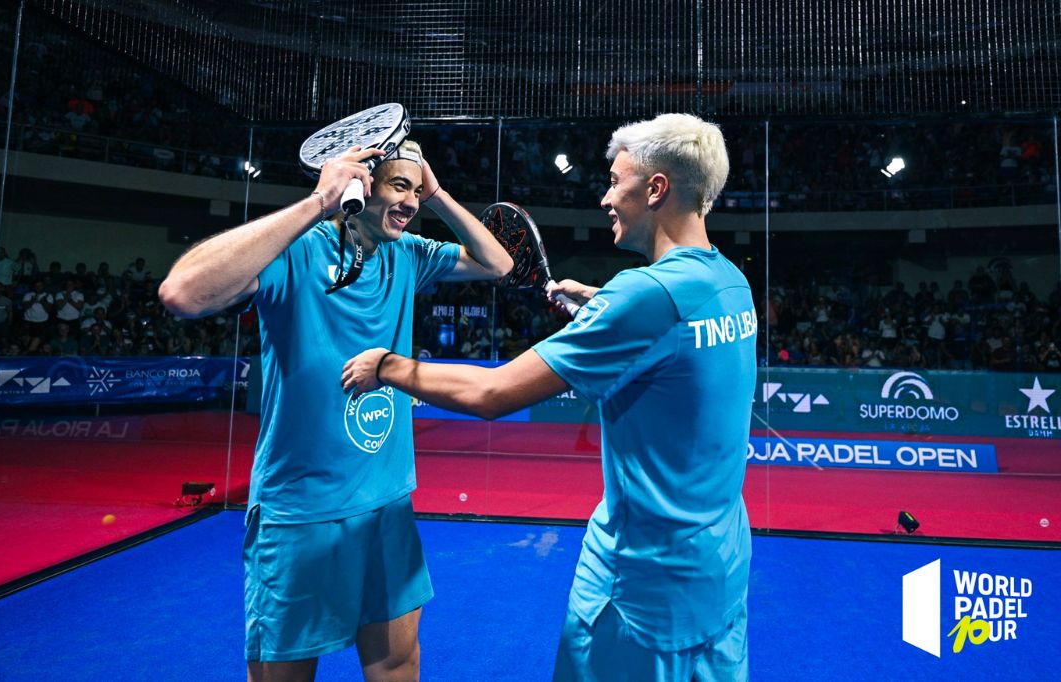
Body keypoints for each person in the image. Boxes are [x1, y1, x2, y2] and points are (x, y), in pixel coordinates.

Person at [341, 113, 756, 681]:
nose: (607, 197)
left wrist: (390, 366)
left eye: (616, 181)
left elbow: (493, 392)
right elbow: (672, 342)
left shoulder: (644, 295)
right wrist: (600, 307)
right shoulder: (730, 281)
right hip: (720, 567)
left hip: (642, 585)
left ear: (656, 188)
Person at [159, 139, 512, 681]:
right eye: (400, 186)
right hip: (300, 510)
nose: (411, 203)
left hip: (386, 503)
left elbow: (498, 263)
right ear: (360, 184)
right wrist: (317, 203)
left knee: (398, 661)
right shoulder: (298, 250)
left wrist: (436, 192)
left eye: (416, 191)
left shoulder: (410, 253)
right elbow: (183, 293)